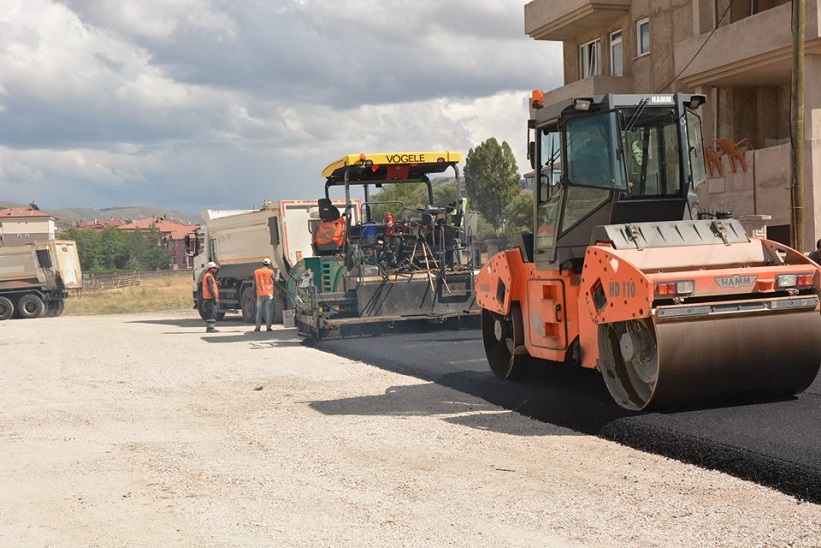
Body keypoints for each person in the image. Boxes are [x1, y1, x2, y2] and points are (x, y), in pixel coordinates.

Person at [252, 258, 275, 332]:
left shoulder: (256, 272)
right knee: (269, 310)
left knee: (259, 311)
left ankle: (257, 327)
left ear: (262, 264)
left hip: (260, 293)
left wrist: (253, 293)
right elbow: (275, 280)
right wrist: (277, 273)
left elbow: (254, 284)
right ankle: (268, 327)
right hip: (269, 293)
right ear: (269, 264)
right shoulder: (271, 272)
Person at [201, 261, 220, 333]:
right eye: (214, 268)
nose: (216, 270)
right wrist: (215, 298)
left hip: (207, 298)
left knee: (210, 313)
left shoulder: (208, 275)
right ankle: (210, 328)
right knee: (212, 313)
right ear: (211, 269)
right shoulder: (209, 277)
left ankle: (209, 328)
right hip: (210, 298)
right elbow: (211, 289)